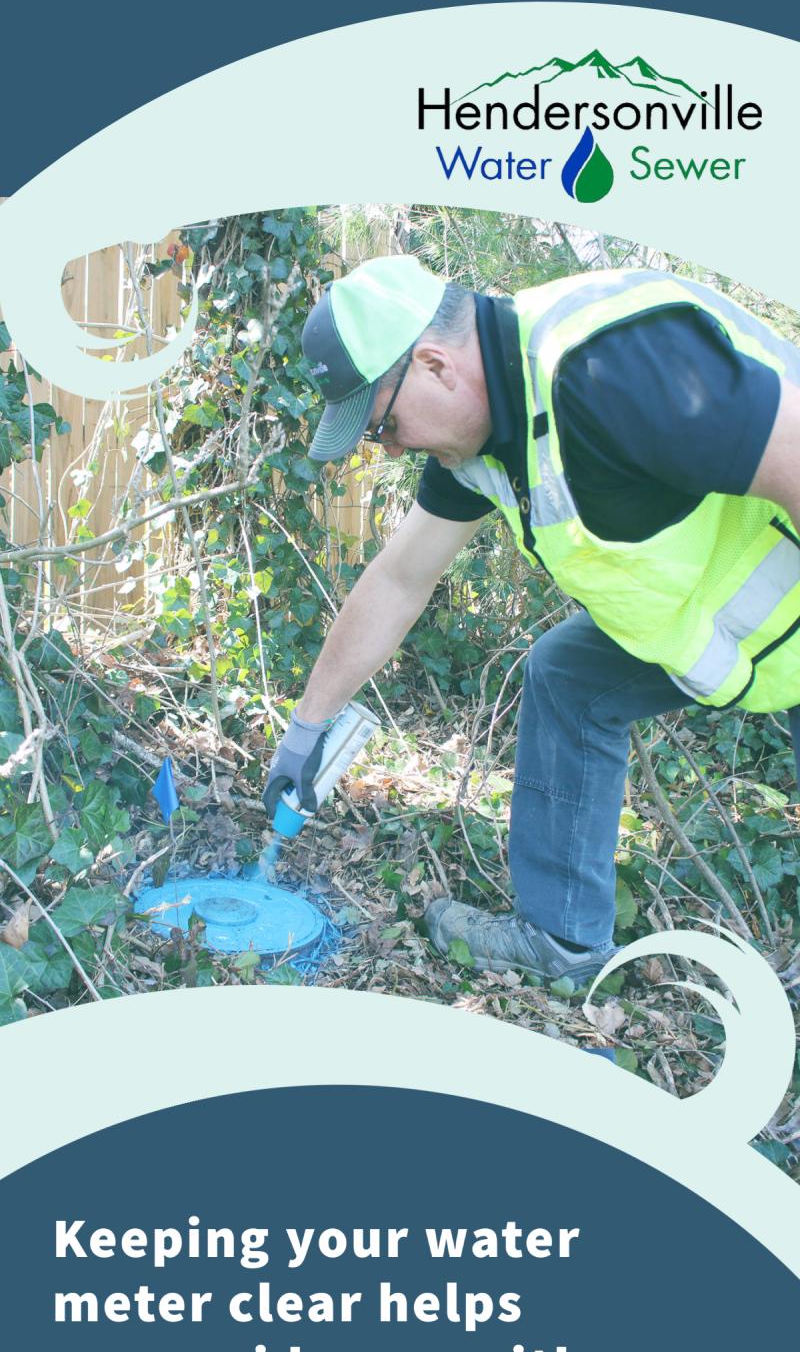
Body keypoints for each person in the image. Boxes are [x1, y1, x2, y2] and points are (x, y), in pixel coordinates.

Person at [263, 255, 800, 981]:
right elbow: (398, 577)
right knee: (569, 675)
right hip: (757, 630)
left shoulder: (605, 363)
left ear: (434, 365)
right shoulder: (484, 445)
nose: (388, 449)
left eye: (383, 425)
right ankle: (565, 942)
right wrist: (307, 727)